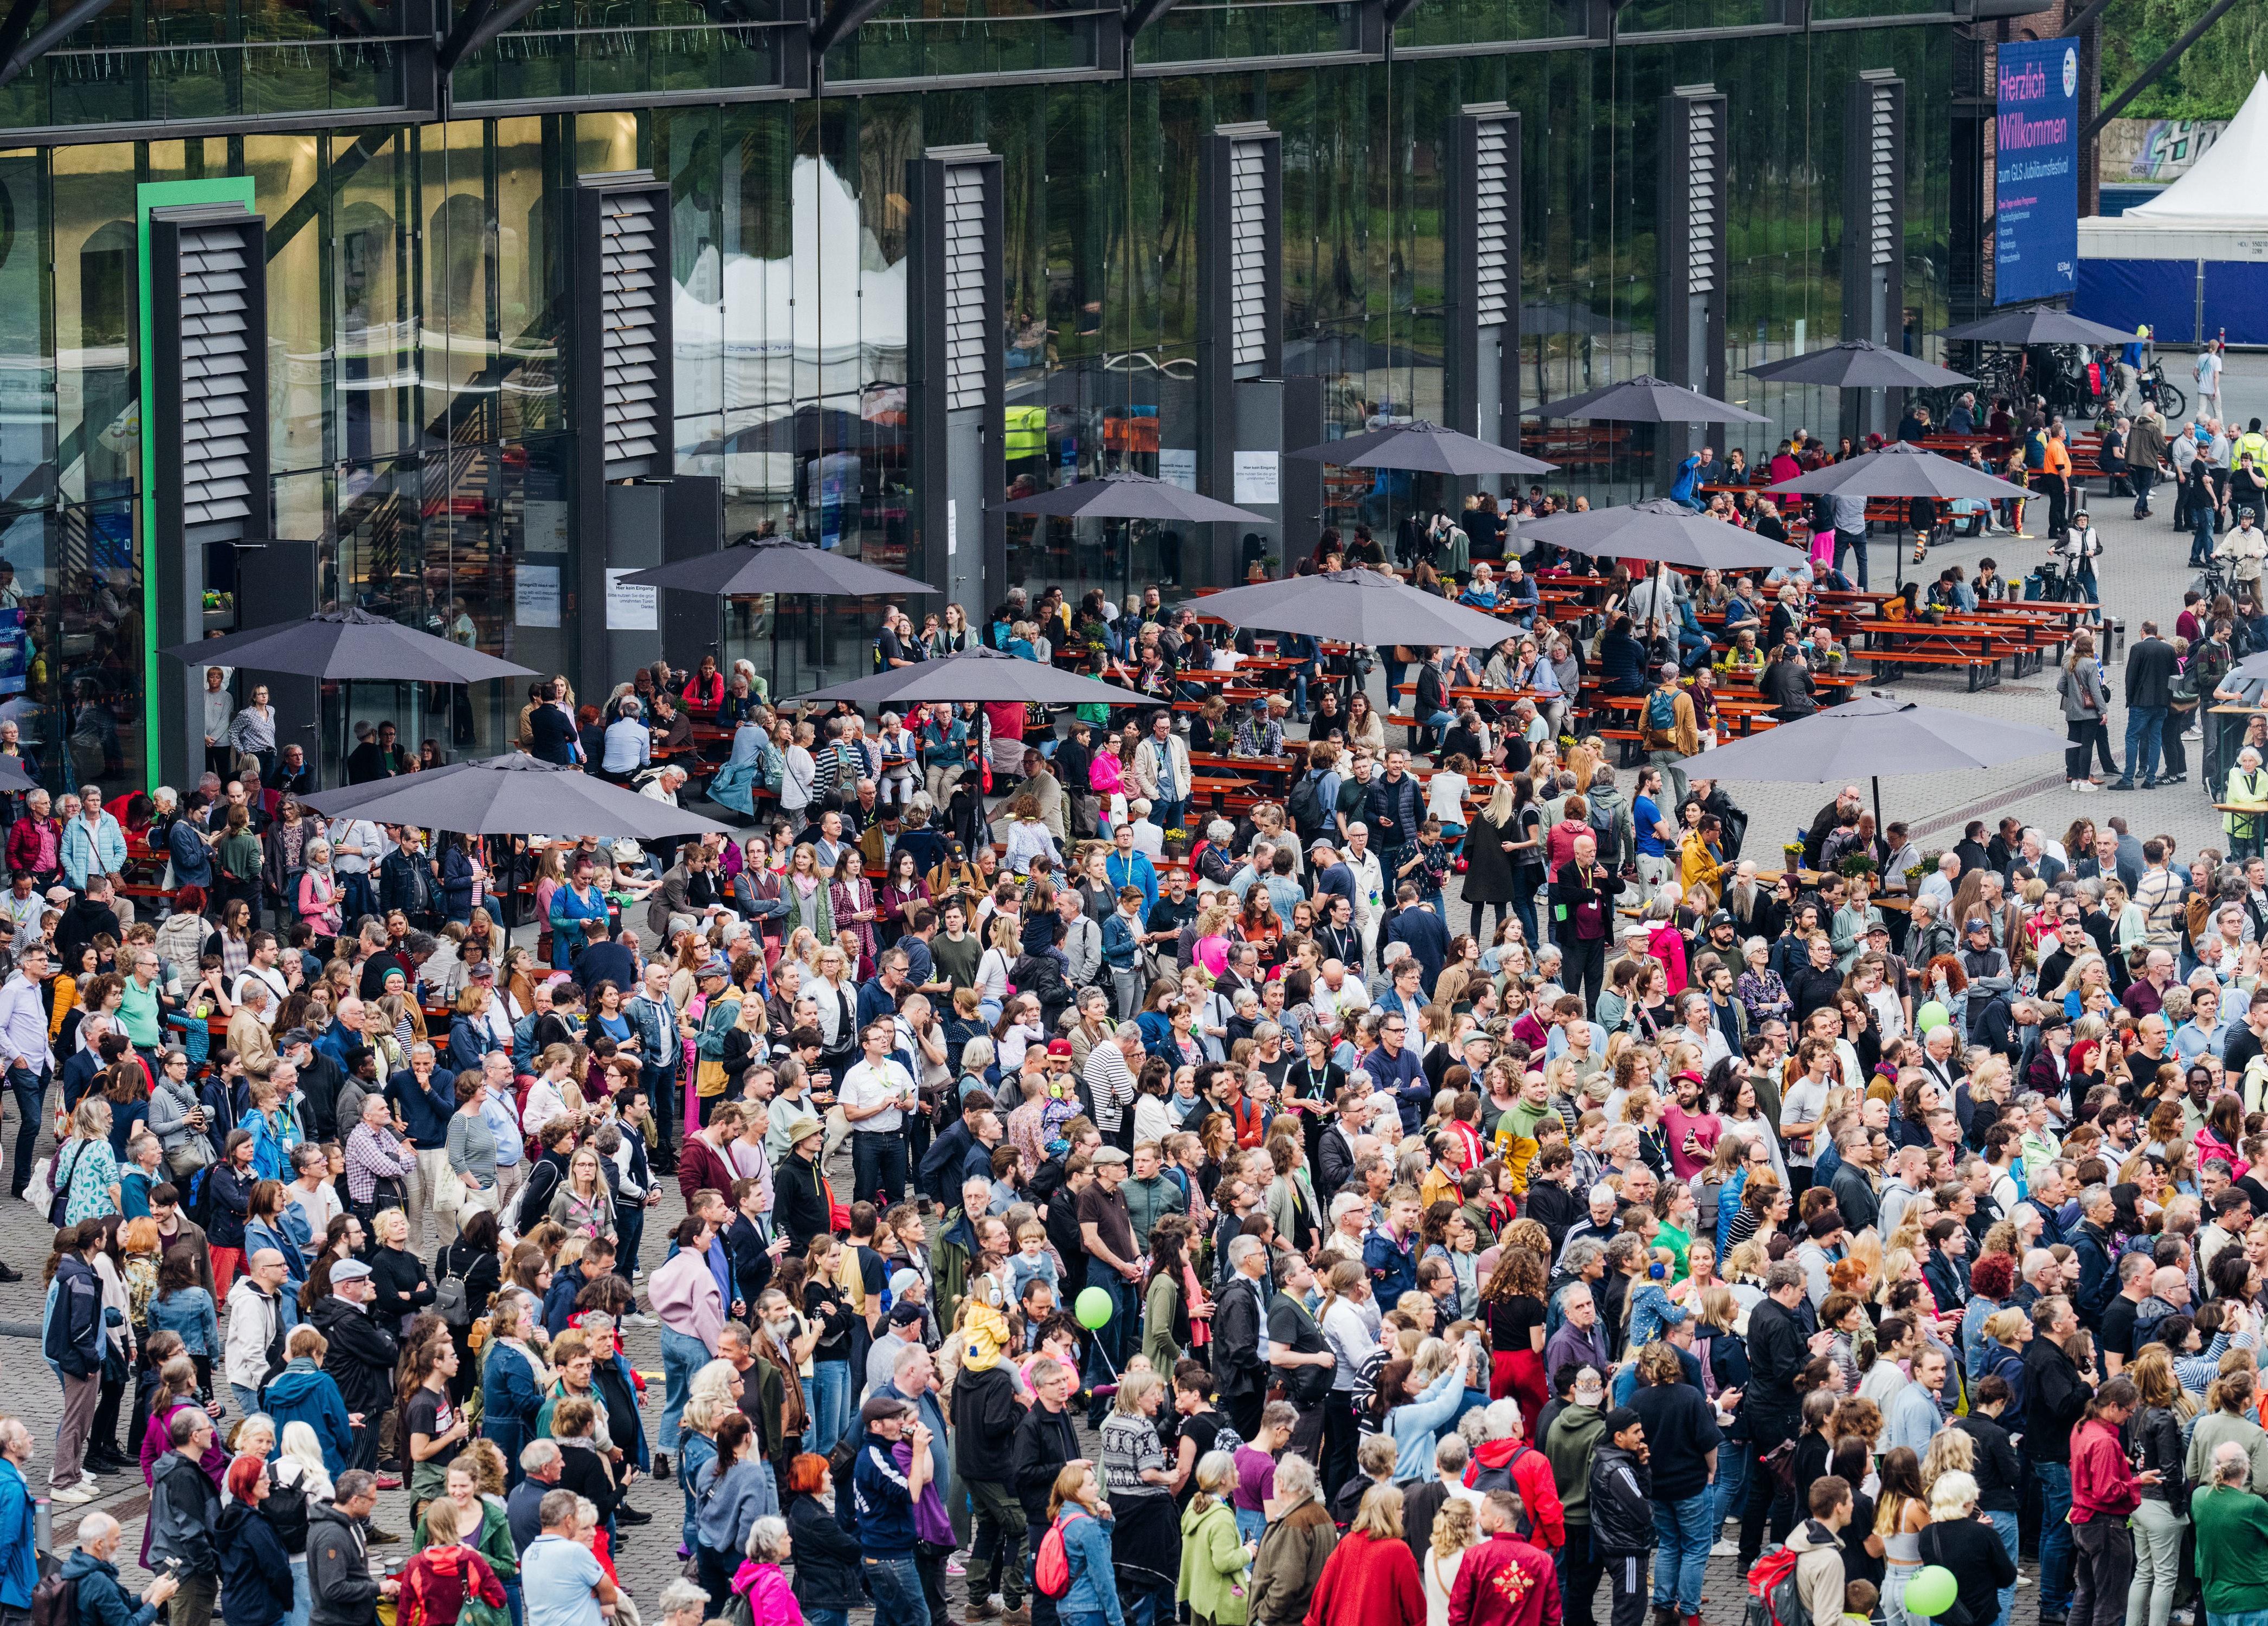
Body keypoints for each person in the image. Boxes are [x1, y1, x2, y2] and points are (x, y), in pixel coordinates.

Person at [1304, 1483, 1426, 1626]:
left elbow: (1323, 1592)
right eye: (1399, 1509)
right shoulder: (1399, 1551)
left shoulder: (1347, 1542)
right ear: (1389, 1514)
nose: (1403, 1513)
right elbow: (1416, 1609)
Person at [1915, 1471, 2019, 1626]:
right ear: (1965, 1502)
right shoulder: (1984, 1533)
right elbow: (2007, 1577)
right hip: (1981, 1616)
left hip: (1944, 1616)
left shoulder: (1927, 1534)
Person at [59, 1511, 183, 1626]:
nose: (120, 1543)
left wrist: (149, 1593)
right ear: (99, 1544)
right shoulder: (99, 1582)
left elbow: (115, 1611)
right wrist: (157, 1599)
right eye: (117, 1539)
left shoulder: (75, 1567)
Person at [2192, 1441, 2268, 1626]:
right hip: (2253, 1601)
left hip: (2215, 1601)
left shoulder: (2200, 1497)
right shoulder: (2253, 1505)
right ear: (2245, 1469)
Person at [519, 1487, 620, 1626]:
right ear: (568, 1521)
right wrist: (592, 1591)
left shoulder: (529, 1553)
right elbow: (611, 1595)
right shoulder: (575, 1551)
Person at [216, 1455, 298, 1626]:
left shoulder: (230, 1518)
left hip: (237, 1605)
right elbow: (277, 1569)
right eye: (262, 1478)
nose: (269, 1481)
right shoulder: (255, 1526)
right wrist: (287, 1599)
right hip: (260, 1611)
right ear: (248, 1484)